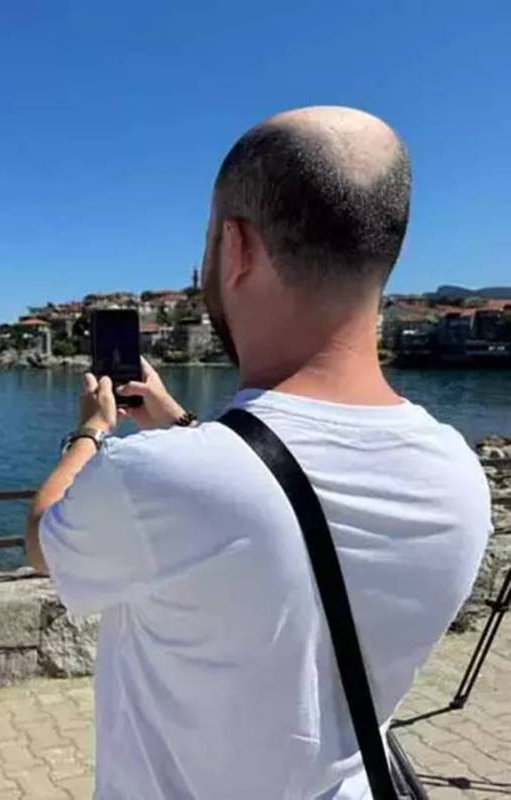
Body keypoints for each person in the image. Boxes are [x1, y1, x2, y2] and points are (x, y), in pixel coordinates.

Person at [26, 106, 493, 798]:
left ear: (237, 248)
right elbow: (263, 488)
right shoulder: (459, 474)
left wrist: (92, 432)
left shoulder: (154, 481)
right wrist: (180, 424)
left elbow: (44, 538)